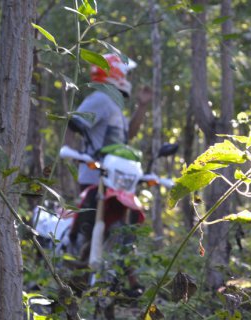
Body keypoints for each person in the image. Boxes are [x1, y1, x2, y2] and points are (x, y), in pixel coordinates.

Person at [65, 53, 149, 300]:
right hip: (96, 177)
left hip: (115, 177)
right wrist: (73, 158)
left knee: (117, 227)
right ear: (116, 73)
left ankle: (83, 283)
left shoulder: (113, 103)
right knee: (99, 229)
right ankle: (92, 282)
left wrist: (142, 106)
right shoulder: (101, 99)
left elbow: (127, 137)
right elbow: (74, 122)